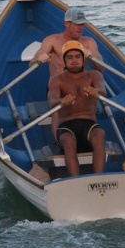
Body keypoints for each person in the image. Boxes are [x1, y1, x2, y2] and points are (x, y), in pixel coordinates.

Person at [47, 41, 106, 176]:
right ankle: (75, 180)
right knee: (68, 140)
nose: (74, 60)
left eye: (77, 57)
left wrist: (95, 91)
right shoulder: (56, 80)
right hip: (66, 127)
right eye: (70, 57)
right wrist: (62, 101)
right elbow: (52, 102)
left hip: (89, 125)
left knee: (100, 134)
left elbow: (103, 91)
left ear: (83, 59)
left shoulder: (94, 75)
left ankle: (99, 178)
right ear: (64, 61)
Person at [31, 7, 100, 78]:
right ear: (67, 24)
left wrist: (92, 56)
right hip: (57, 84)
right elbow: (32, 65)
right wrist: (39, 60)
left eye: (82, 24)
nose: (81, 28)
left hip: (81, 84)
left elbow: (101, 69)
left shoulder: (89, 42)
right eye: (77, 24)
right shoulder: (52, 40)